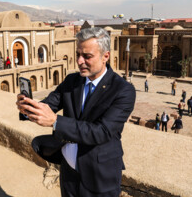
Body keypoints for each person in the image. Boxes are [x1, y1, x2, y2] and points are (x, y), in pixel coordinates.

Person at [16, 27, 136, 197]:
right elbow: (49, 105)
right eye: (78, 54)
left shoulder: (123, 90)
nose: (79, 61)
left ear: (105, 56)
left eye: (87, 56)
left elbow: (101, 132)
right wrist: (27, 108)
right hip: (69, 173)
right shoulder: (72, 81)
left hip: (99, 177)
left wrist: (56, 121)